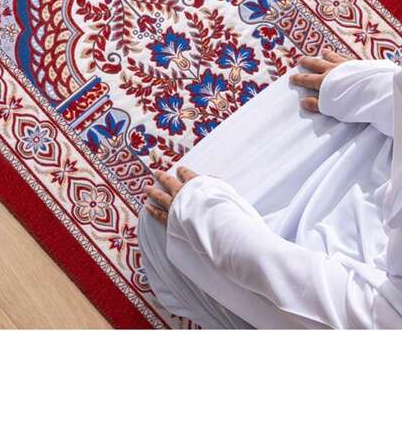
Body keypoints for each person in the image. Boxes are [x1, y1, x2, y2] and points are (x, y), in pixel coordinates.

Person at [138, 50, 402, 328]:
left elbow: (352, 311)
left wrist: (212, 224)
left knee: (162, 226)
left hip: (355, 304)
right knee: (313, 85)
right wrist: (379, 91)